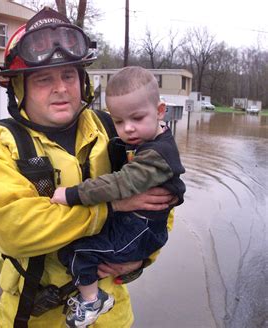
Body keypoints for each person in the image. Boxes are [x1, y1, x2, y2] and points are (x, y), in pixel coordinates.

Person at [0, 7, 176, 328]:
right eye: (43, 79)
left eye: (69, 75)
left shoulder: (116, 132)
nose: (61, 87)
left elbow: (162, 203)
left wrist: (140, 259)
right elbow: (17, 231)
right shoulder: (2, 150)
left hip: (112, 314)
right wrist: (111, 205)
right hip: (36, 315)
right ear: (18, 88)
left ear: (82, 81)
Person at [51, 66, 186, 327]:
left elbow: (120, 183)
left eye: (136, 118)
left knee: (78, 251)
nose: (128, 129)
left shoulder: (156, 155)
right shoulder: (144, 141)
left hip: (140, 231)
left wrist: (72, 194)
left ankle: (92, 301)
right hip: (134, 227)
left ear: (160, 111)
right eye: (119, 122)